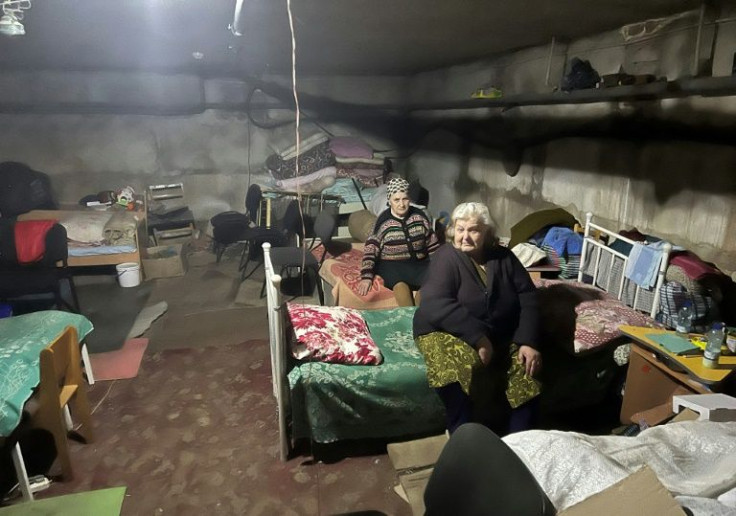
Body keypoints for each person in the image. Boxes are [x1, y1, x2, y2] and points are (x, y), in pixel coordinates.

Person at [413, 202, 542, 435]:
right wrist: (479, 339)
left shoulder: (503, 258)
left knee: (526, 374)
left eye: (474, 230)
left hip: (498, 332)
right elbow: (435, 303)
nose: (466, 237)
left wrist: (528, 341)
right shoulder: (446, 257)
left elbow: (528, 296)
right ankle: (461, 434)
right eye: (460, 229)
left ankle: (520, 443)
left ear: (487, 233)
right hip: (443, 328)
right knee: (454, 370)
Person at [357, 177, 440, 306]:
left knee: (432, 282)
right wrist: (366, 276)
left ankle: (418, 315)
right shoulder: (383, 221)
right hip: (392, 265)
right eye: (397, 200)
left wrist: (439, 266)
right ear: (390, 201)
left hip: (420, 264)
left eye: (405, 199)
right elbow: (371, 249)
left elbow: (433, 245)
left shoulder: (419, 217)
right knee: (400, 285)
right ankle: (408, 316)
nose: (401, 204)